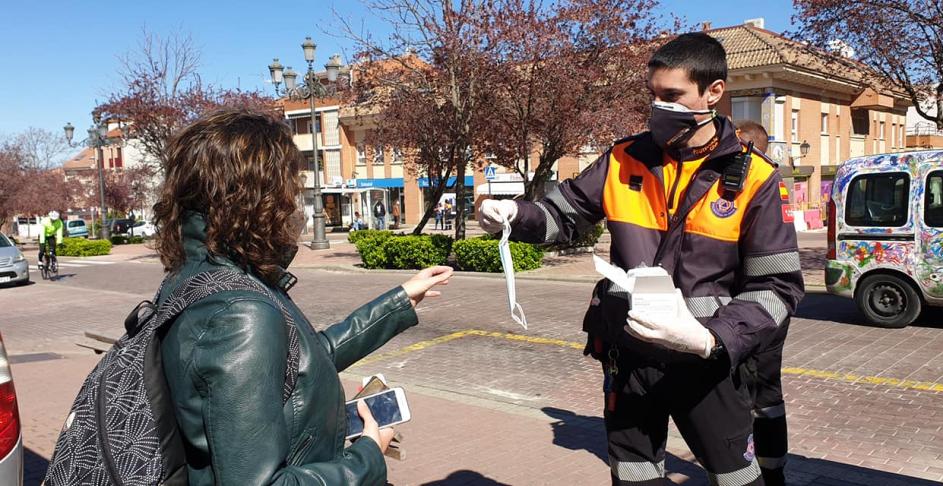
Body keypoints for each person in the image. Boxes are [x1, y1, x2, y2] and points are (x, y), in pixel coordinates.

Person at [479, 33, 803, 486]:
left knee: (735, 478)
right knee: (633, 475)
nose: (659, 108)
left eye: (673, 97)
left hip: (707, 362)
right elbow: (561, 215)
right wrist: (516, 215)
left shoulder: (757, 179)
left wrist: (712, 339)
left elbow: (778, 287)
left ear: (714, 92)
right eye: (654, 96)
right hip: (630, 356)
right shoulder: (622, 159)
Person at [153, 108, 453, 485]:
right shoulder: (239, 312)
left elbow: (301, 361)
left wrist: (398, 302)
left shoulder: (203, 276)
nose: (295, 203)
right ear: (253, 197)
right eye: (288, 188)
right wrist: (366, 458)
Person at [737, 120, 790, 486]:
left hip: (754, 305)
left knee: (753, 393)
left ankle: (761, 472)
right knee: (767, 393)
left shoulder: (755, 180)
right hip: (770, 306)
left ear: (747, 145)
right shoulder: (775, 182)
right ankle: (773, 472)